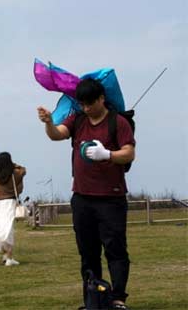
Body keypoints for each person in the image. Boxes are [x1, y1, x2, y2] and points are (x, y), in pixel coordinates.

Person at [38, 78, 135, 310]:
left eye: (90, 103)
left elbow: (129, 153)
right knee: (87, 252)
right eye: (82, 104)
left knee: (115, 249)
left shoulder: (118, 122)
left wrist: (108, 155)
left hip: (111, 199)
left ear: (102, 98)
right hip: (82, 198)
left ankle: (118, 299)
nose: (86, 108)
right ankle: (92, 298)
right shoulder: (78, 120)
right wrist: (49, 122)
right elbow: (57, 134)